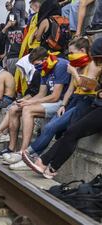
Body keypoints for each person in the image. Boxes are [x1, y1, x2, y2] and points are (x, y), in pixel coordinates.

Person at [23, 38, 102, 179]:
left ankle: (41, 159)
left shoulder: (91, 65)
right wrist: (64, 104)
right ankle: (46, 164)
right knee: (69, 132)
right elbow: (89, 87)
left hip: (90, 103)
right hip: (93, 104)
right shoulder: (81, 65)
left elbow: (86, 86)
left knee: (66, 130)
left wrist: (75, 74)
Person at [0, 47, 71, 159]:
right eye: (34, 66)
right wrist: (26, 101)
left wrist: (28, 104)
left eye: (37, 64)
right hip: (51, 101)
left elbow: (55, 96)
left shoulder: (60, 65)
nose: (36, 68)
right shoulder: (44, 69)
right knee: (14, 109)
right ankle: (11, 148)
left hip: (63, 102)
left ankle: (23, 151)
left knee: (28, 110)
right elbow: (41, 94)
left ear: (45, 58)